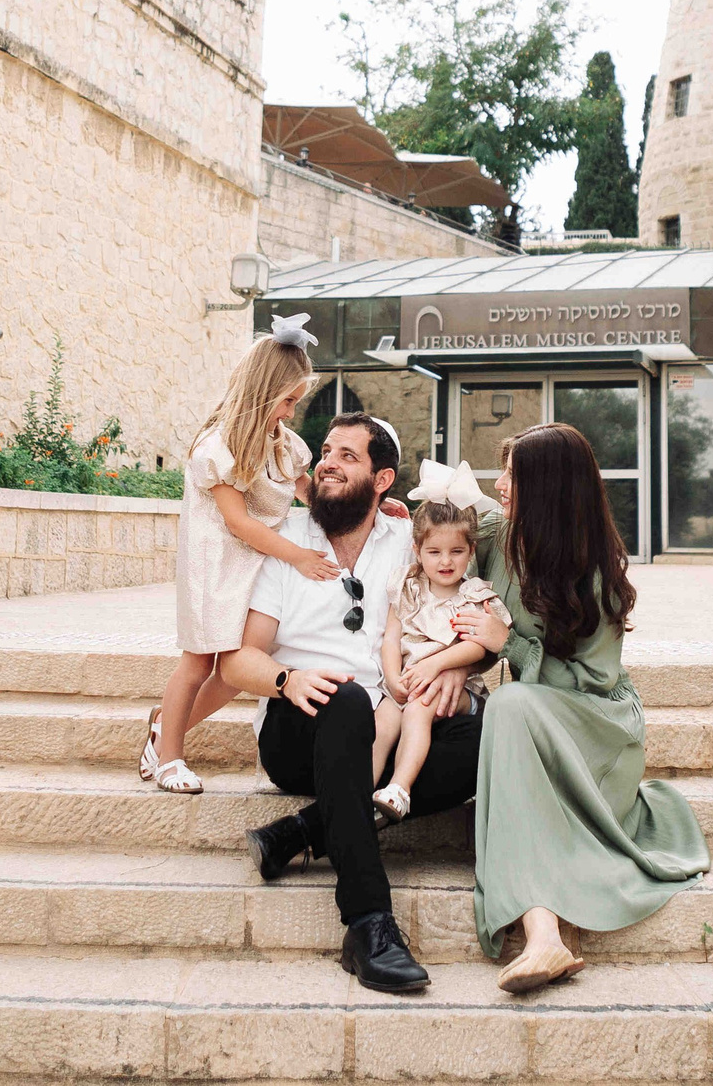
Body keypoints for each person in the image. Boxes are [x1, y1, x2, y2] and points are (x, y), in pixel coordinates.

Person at [220, 413, 477, 994]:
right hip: (299, 729)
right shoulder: (285, 543)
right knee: (349, 702)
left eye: (347, 456)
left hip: (384, 723)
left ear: (382, 479)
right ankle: (368, 923)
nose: (328, 463)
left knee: (481, 738)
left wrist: (459, 668)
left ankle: (298, 833)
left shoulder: (409, 543)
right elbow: (237, 662)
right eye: (327, 452)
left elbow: (457, 618)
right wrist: (287, 679)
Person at [451, 421, 708, 993]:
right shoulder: (496, 537)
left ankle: (543, 935)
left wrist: (508, 644)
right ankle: (544, 937)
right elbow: (438, 554)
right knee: (510, 708)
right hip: (531, 719)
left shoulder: (596, 574)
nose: (500, 487)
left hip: (597, 727)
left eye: (513, 477)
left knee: (511, 706)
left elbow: (592, 681)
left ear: (546, 488)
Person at [143, 316, 327, 796]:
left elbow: (312, 494)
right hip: (215, 564)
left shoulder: (284, 444)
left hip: (254, 563)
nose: (291, 411)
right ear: (264, 392)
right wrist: (299, 557)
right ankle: (170, 758)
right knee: (200, 662)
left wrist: (369, 506)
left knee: (237, 668)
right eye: (287, 400)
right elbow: (238, 522)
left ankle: (164, 726)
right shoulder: (218, 445)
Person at [370, 466, 503, 822]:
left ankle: (400, 788)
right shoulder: (408, 586)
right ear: (417, 550)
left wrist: (435, 664)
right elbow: (391, 636)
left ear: (471, 550)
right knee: (383, 722)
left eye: (456, 551)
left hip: (454, 690)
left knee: (418, 709)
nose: (446, 561)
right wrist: (393, 677)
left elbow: (480, 646)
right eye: (434, 552)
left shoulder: (472, 594)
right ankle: (358, 792)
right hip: (406, 682)